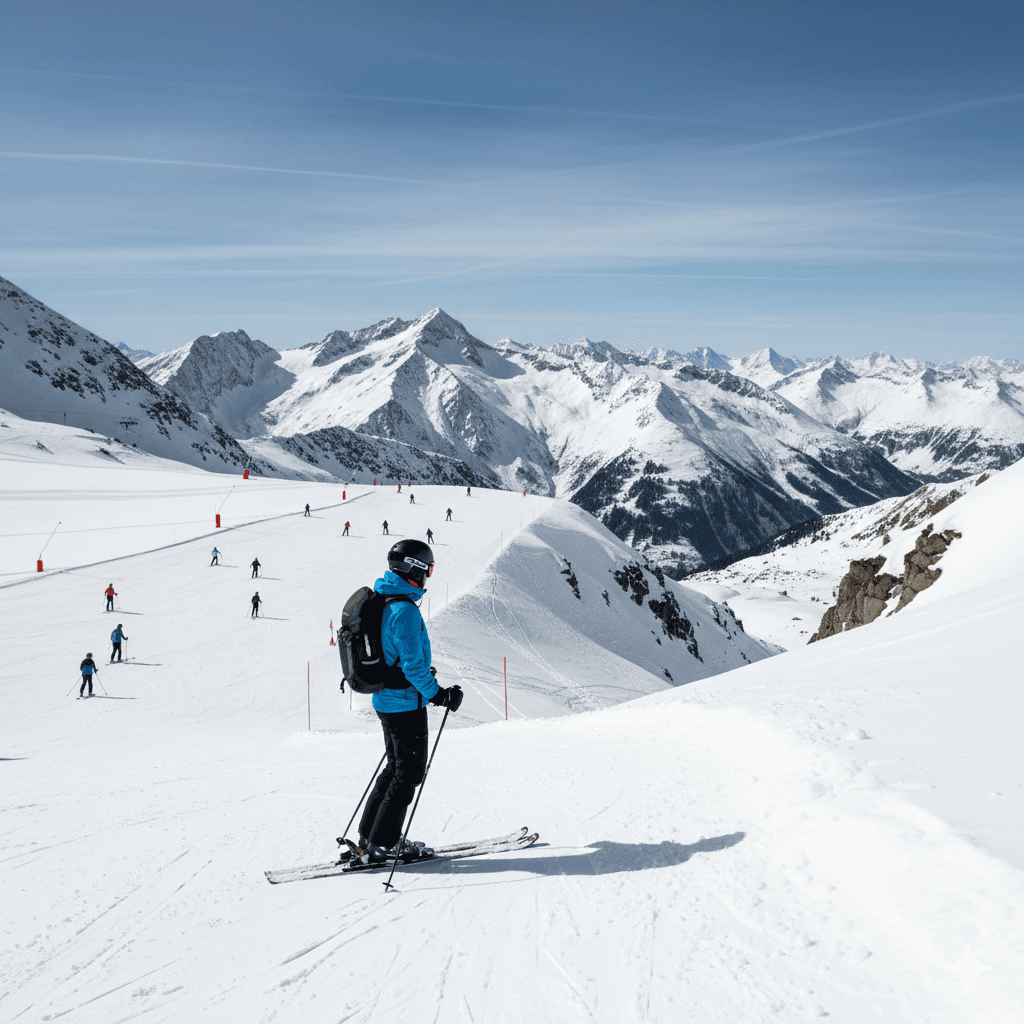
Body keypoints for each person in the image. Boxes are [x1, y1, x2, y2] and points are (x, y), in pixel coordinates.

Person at [354, 539, 463, 862]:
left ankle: (370, 836)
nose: (429, 576)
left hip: (388, 700)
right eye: (427, 570)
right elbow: (413, 667)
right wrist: (440, 695)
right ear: (414, 570)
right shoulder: (403, 610)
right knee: (409, 774)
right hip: (404, 704)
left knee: (396, 769)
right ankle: (384, 842)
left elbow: (401, 659)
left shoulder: (386, 599)